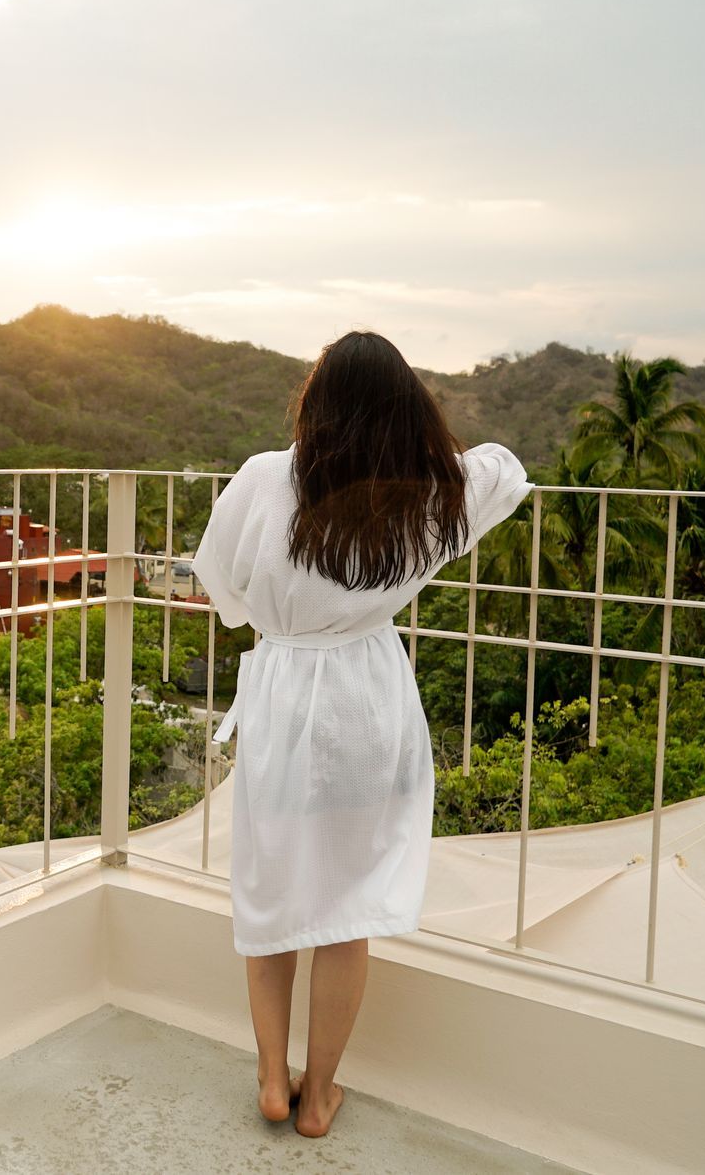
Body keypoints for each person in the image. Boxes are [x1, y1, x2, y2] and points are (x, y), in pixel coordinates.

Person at [190, 330, 532, 1138]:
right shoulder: (429, 498)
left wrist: (275, 614)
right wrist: (423, 444)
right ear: (403, 409)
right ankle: (320, 1098)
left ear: (314, 403)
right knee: (345, 911)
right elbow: (506, 466)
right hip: (369, 706)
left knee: (272, 893)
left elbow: (219, 579)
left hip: (284, 696)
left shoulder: (265, 479)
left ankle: (274, 1079)